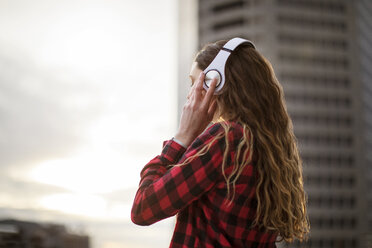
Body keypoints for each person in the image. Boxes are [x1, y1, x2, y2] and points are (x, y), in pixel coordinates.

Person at [131, 38, 310, 247]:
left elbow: (143, 208)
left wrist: (181, 138)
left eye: (194, 83)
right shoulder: (270, 149)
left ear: (216, 82)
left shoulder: (225, 140)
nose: (191, 95)